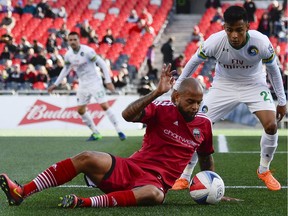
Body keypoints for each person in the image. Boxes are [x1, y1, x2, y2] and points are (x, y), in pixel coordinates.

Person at [0, 65, 230, 208]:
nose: (195, 106)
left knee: (155, 195)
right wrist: (156, 92)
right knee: (87, 156)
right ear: (176, 97)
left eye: (199, 102)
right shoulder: (161, 108)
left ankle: (86, 203)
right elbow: (127, 115)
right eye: (190, 101)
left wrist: (213, 187)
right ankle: (21, 192)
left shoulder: (204, 124)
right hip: (130, 167)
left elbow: (206, 157)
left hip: (154, 183)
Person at [171, 6, 287, 191]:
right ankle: (185, 175)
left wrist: (282, 101)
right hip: (223, 86)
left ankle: (263, 170)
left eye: (239, 30)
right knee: (197, 126)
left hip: (254, 85)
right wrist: (177, 87)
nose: (234, 35)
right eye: (230, 30)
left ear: (247, 27)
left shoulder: (261, 42)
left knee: (271, 125)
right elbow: (193, 62)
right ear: (224, 27)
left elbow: (274, 70)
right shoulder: (214, 41)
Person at [48, 32, 126, 141]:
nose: (73, 42)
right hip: (83, 84)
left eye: (75, 39)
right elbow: (65, 69)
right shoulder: (68, 55)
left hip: (95, 82)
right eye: (70, 40)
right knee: (80, 110)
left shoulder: (88, 51)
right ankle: (95, 132)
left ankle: (119, 131)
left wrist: (108, 81)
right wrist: (55, 84)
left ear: (78, 40)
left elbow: (102, 64)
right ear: (68, 42)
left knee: (104, 106)